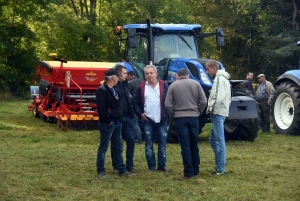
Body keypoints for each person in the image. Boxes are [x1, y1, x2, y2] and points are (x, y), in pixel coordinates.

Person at [165, 68, 207, 180]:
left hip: (180, 118)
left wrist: (173, 114)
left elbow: (168, 104)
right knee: (194, 144)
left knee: (185, 146)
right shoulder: (196, 84)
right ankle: (196, 170)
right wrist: (198, 111)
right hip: (194, 117)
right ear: (188, 75)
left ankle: (188, 172)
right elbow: (203, 101)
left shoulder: (173, 86)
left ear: (178, 76)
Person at [95, 68, 136, 178]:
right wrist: (108, 121)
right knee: (103, 147)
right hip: (108, 123)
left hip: (118, 121)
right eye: (117, 77)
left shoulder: (114, 90)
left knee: (118, 146)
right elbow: (101, 108)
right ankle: (101, 170)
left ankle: (121, 169)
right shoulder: (102, 90)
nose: (119, 78)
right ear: (112, 78)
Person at [133, 64, 171, 172]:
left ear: (156, 73)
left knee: (162, 143)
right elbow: (135, 102)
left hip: (161, 119)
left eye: (151, 73)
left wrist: (167, 113)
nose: (149, 75)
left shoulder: (164, 85)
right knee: (148, 144)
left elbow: (170, 100)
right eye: (147, 73)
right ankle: (151, 166)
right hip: (148, 120)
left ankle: (162, 165)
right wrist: (140, 113)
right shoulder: (141, 87)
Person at [205, 60, 231, 176]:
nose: (207, 71)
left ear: (214, 69)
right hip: (222, 112)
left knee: (219, 141)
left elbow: (218, 97)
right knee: (212, 139)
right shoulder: (223, 79)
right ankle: (219, 164)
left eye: (208, 69)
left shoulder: (219, 79)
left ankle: (221, 168)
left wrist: (212, 110)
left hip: (217, 113)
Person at [110, 64, 137, 174]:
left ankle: (129, 165)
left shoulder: (127, 85)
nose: (126, 75)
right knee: (116, 143)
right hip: (117, 119)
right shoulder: (113, 86)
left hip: (127, 118)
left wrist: (131, 113)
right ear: (118, 74)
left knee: (131, 140)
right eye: (124, 73)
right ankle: (116, 165)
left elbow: (129, 100)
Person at [128, 70, 143, 143]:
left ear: (130, 75)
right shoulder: (142, 82)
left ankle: (138, 138)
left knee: (135, 123)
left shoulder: (130, 83)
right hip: (142, 105)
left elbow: (128, 96)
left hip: (134, 105)